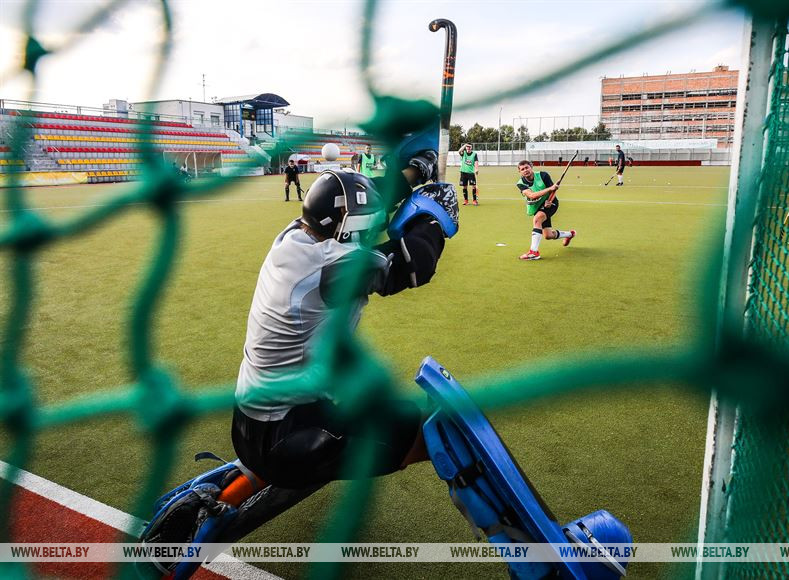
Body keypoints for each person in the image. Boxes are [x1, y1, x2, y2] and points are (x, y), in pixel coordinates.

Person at [142, 134, 453, 570]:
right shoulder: (334, 267)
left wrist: (415, 172)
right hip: (290, 437)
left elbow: (368, 205)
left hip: (257, 418)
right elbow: (415, 265)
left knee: (347, 418)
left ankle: (212, 502)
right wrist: (435, 217)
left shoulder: (296, 235)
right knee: (427, 433)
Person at [516, 160, 575, 260]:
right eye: (522, 169)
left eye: (527, 167)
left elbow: (553, 191)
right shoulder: (520, 183)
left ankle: (533, 252)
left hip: (551, 203)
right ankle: (570, 234)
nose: (525, 170)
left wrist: (549, 200)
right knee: (548, 235)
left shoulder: (543, 175)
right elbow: (532, 195)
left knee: (537, 219)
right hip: (537, 207)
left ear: (531, 167)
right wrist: (550, 189)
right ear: (520, 172)